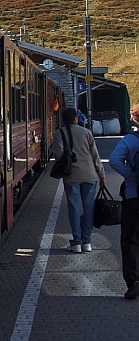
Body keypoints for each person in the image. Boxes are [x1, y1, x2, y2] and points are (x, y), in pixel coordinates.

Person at [51, 106, 106, 254]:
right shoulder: (86, 132)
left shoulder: (60, 133)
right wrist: (102, 175)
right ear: (76, 118)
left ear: (63, 120)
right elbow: (95, 156)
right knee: (89, 208)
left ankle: (76, 242)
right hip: (90, 175)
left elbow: (57, 154)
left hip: (71, 176)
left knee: (74, 208)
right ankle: (87, 241)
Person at [108, 102, 139, 299]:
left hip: (133, 197)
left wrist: (132, 176)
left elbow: (114, 161)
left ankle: (134, 282)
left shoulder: (130, 140)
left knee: (130, 240)